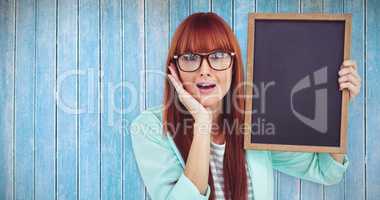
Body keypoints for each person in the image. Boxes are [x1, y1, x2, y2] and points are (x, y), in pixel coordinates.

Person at [129, 12, 361, 200]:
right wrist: (202, 122)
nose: (204, 69)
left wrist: (336, 105)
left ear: (234, 64)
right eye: (190, 58)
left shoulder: (255, 122)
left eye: (218, 55)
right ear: (174, 68)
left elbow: (326, 171)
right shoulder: (151, 127)